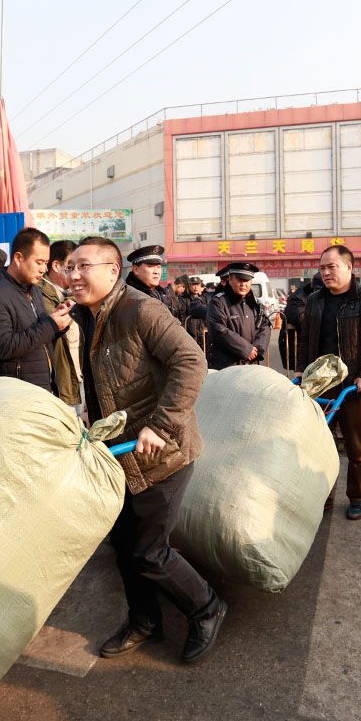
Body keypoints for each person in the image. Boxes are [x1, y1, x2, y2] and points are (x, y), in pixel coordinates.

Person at [66, 236, 225, 664]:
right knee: (123, 545)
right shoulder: (86, 315)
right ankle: (144, 620)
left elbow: (191, 362)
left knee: (149, 550)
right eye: (70, 267)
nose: (73, 275)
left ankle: (206, 607)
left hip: (161, 453)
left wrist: (160, 424)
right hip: (120, 452)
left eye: (83, 266)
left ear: (112, 270)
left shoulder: (140, 309)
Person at [296, 246, 361, 519]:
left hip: (355, 388)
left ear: (349, 267)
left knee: (356, 446)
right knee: (319, 445)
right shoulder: (315, 300)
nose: (326, 272)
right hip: (321, 386)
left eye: (332, 266)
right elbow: (305, 340)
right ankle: (323, 496)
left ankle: (357, 497)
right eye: (322, 267)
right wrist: (301, 370)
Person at [0, 227, 72, 393]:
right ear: (18, 258)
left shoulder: (33, 289)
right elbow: (1, 347)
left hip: (42, 388)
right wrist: (50, 325)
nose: (44, 269)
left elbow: (38, 336)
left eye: (46, 263)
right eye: (39, 262)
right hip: (16, 393)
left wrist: (58, 323)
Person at [38, 239, 82, 407]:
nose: (76, 273)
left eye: (80, 267)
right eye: (70, 267)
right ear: (56, 266)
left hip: (77, 376)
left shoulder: (74, 293)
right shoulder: (39, 294)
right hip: (59, 382)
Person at [205, 262, 271, 371]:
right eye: (240, 279)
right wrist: (246, 349)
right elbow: (218, 330)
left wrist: (257, 349)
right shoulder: (218, 302)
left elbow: (265, 326)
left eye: (247, 280)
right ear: (230, 279)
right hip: (226, 366)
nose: (243, 284)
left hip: (250, 364)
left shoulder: (255, 303)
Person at [125, 245, 182, 317]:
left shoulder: (161, 293)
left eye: (158, 267)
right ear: (136, 269)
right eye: (150, 266)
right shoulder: (130, 296)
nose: (156, 272)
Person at [180, 275, 208, 351]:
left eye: (198, 285)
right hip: (189, 332)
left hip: (201, 331)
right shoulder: (183, 299)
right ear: (189, 286)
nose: (196, 287)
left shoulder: (203, 299)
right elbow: (182, 316)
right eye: (193, 285)